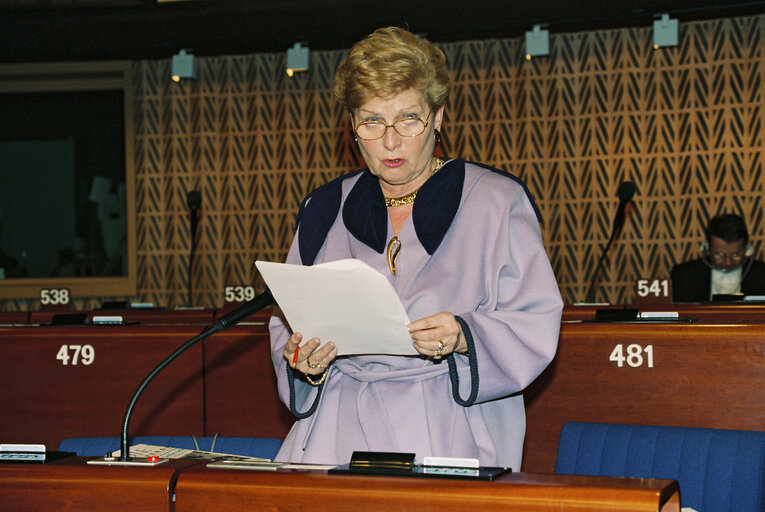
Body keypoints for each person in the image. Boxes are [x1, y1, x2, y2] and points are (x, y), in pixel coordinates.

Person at [268, 27, 563, 470]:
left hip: (450, 421)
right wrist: (302, 361)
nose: (390, 142)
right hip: (337, 427)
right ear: (352, 125)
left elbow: (534, 322)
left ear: (438, 116)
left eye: (408, 119)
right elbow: (287, 321)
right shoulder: (324, 207)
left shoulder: (495, 201)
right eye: (371, 121)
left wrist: (465, 334)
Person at [671, 213, 765, 302]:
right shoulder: (684, 275)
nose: (728, 262)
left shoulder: (762, 274)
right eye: (719, 255)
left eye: (736, 255)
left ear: (746, 249)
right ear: (707, 249)